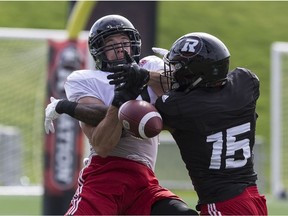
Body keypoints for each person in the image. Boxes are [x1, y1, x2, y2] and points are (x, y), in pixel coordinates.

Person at [44, 14, 198, 215]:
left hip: (144, 181)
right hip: (104, 178)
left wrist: (145, 77)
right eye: (111, 42)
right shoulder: (85, 79)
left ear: (134, 44)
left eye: (124, 41)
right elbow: (102, 145)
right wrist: (120, 101)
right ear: (98, 50)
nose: (119, 47)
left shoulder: (149, 65)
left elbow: (182, 89)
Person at [109, 32, 268, 215]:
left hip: (223, 204)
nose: (174, 73)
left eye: (178, 68)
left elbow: (143, 116)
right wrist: (146, 76)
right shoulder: (245, 82)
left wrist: (141, 80)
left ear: (195, 74)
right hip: (253, 198)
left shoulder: (178, 107)